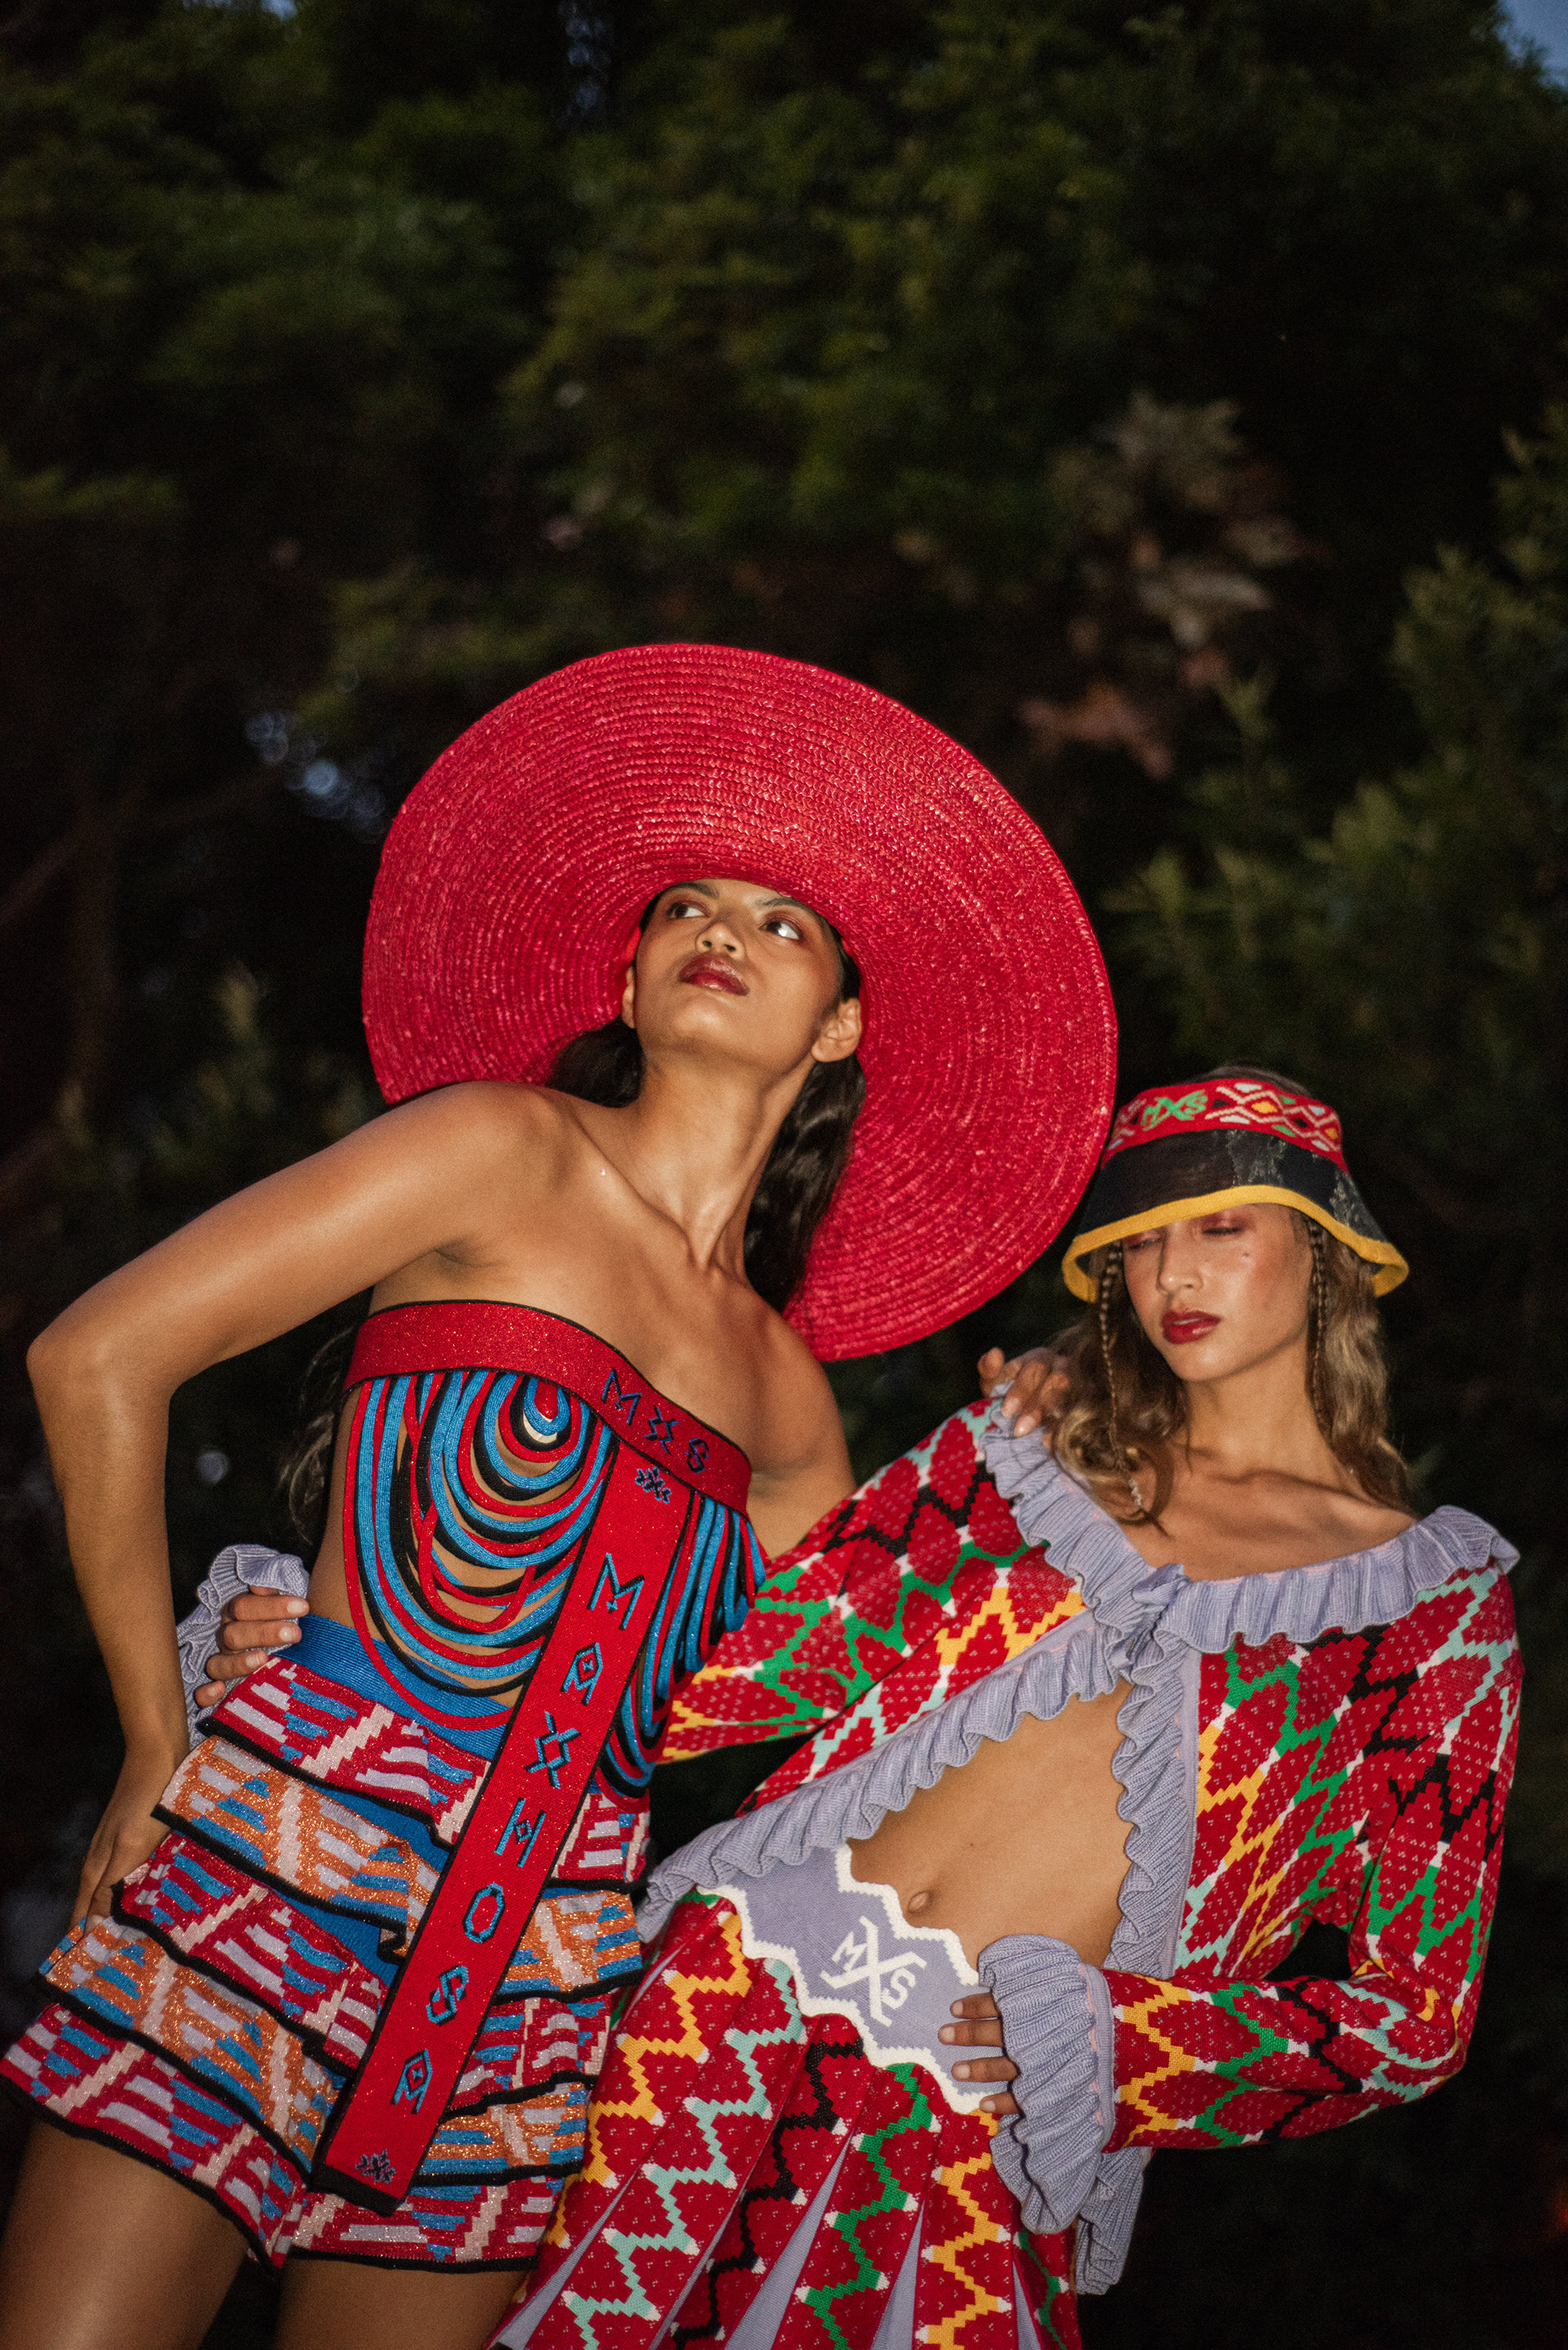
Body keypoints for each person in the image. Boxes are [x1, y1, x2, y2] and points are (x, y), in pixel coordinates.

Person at [0, 643, 1115, 2350]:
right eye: (688, 904)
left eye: (783, 922)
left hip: (542, 1979)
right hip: (274, 1857)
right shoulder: (496, 1150)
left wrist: (1014, 1460)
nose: (721, 928)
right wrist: (160, 1736)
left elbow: (845, 1715)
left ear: (840, 1024)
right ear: (635, 967)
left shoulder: (790, 1403)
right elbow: (95, 1358)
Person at [485, 1066, 1519, 2350]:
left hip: (988, 2123)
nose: (1173, 1272)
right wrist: (389, 1639)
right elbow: (747, 1667)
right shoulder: (1025, 1451)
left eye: (1220, 1226)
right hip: (717, 2000)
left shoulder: (1432, 1611)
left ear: (1325, 1253)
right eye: (1138, 1240)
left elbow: (1414, 2016)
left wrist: (1115, 2042)